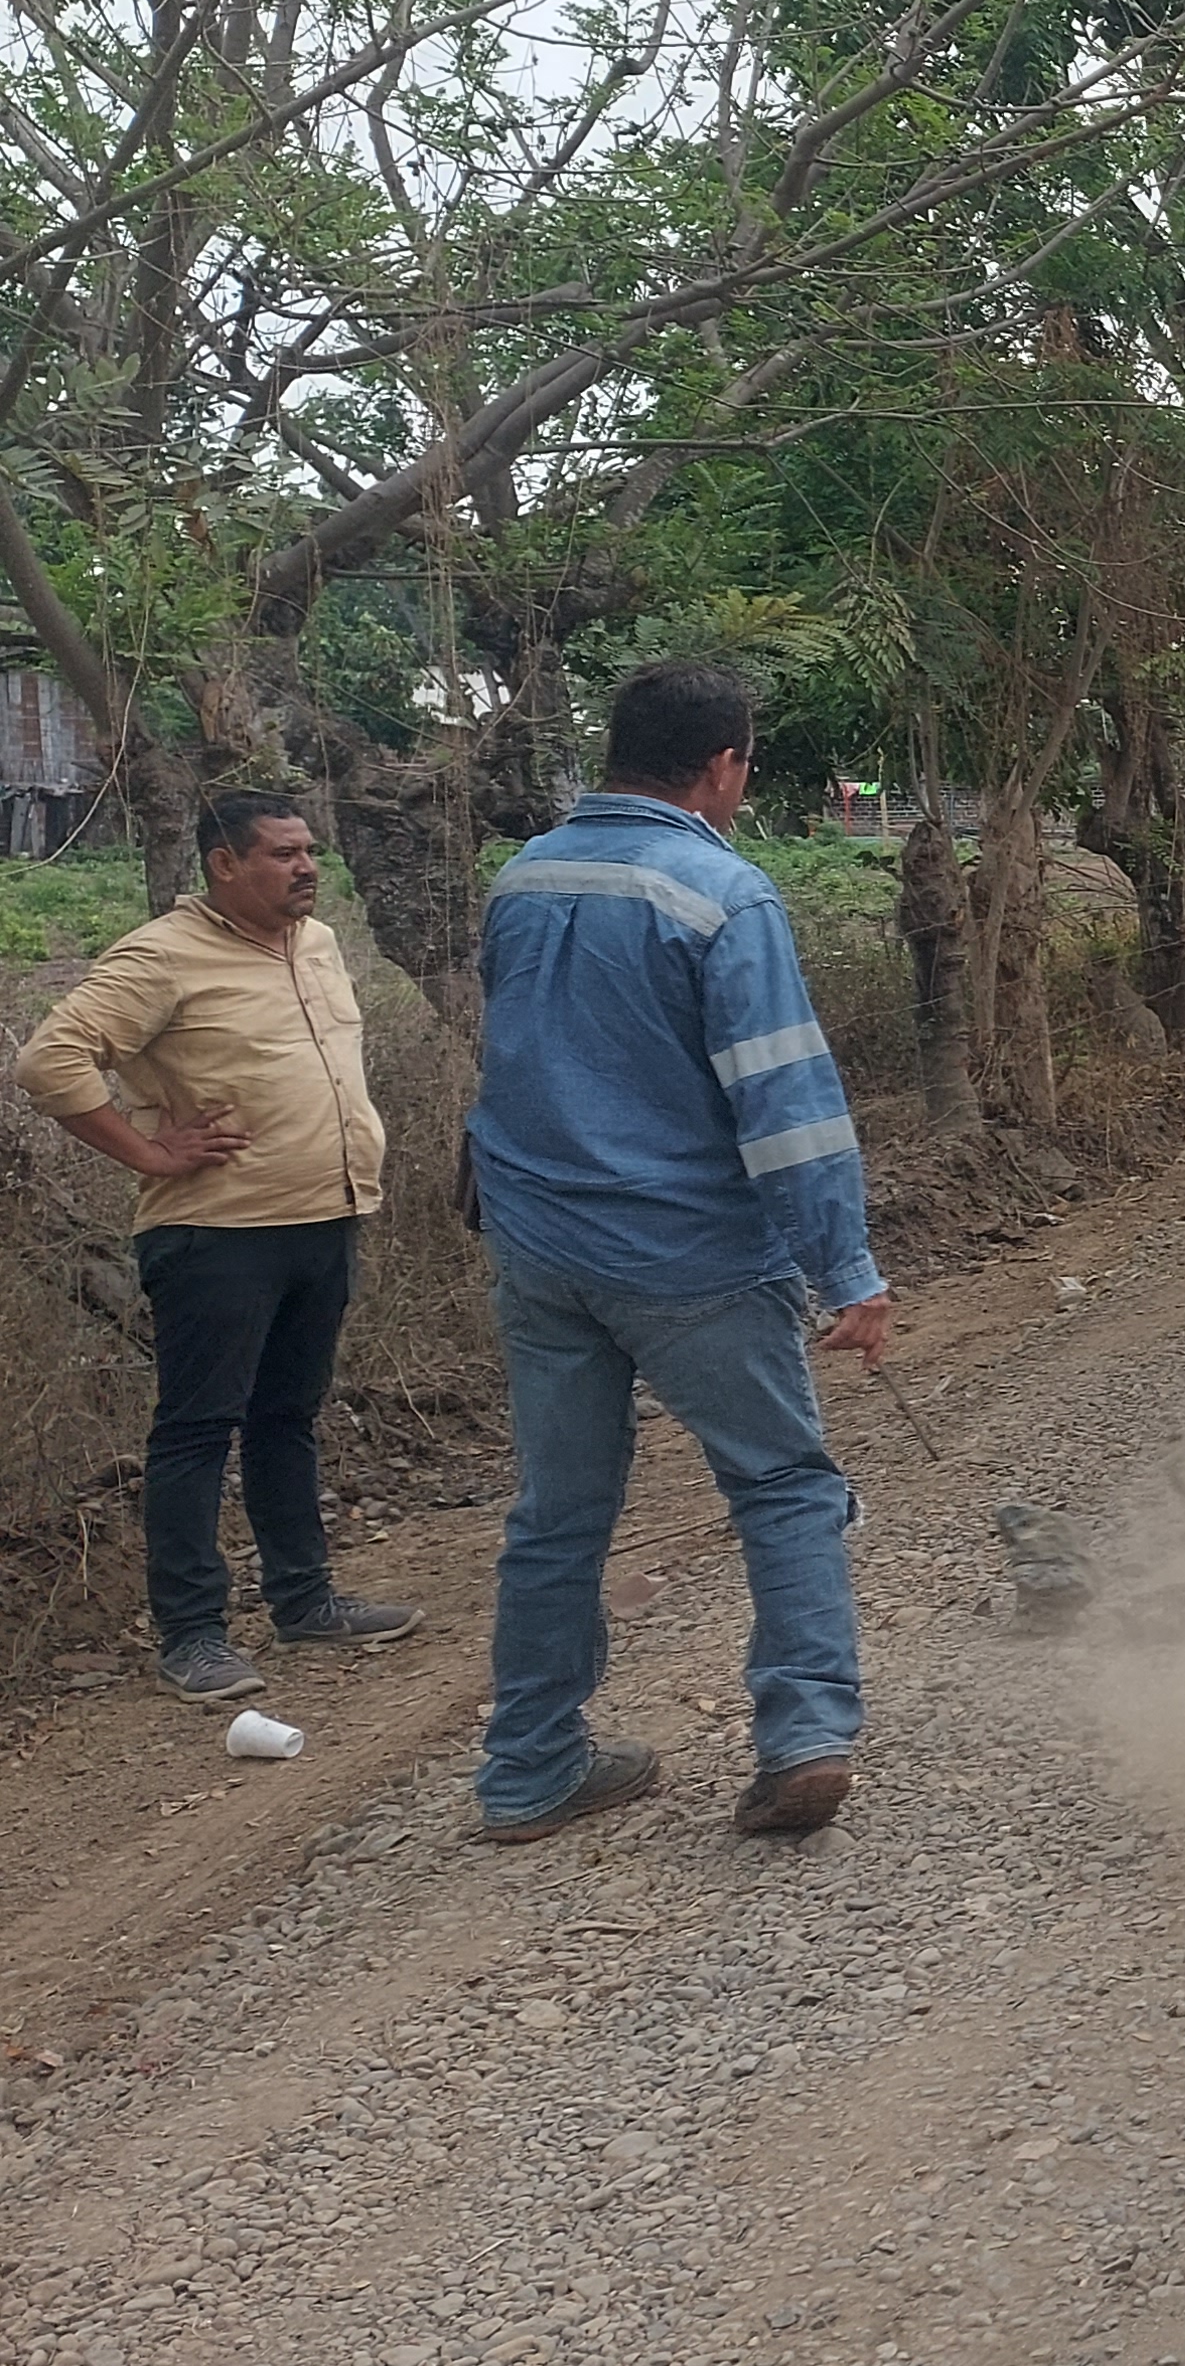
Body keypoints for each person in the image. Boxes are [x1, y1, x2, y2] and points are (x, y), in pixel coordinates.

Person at [466, 663, 894, 1844]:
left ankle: (527, 1772)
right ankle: (804, 1736)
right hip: (690, 1254)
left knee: (558, 1514)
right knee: (785, 1487)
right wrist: (847, 1272)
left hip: (539, 1245)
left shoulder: (523, 877)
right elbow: (787, 1109)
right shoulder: (723, 894)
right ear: (721, 766)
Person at [14, 790, 422, 1701]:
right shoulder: (163, 954)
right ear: (223, 864)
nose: (306, 867)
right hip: (217, 1233)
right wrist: (149, 1151)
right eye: (282, 853)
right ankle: (192, 1636)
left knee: (288, 1416)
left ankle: (304, 1601)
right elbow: (50, 1061)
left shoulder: (316, 943)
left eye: (308, 851)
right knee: (197, 1430)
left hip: (324, 1217)